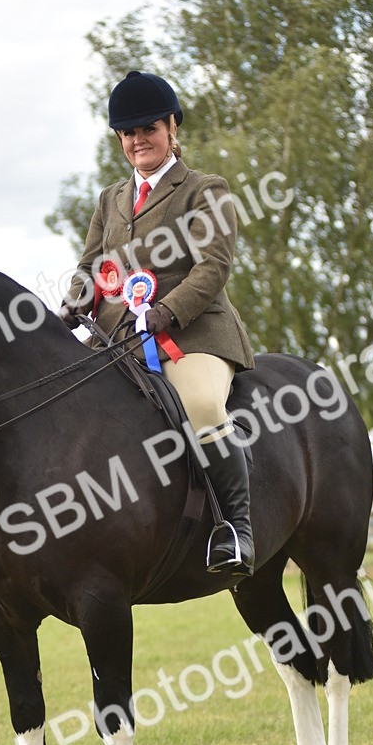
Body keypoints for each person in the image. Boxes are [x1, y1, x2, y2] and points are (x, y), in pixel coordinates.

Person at [58, 70, 255, 576]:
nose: (138, 140)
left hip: (191, 335)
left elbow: (213, 267)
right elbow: (90, 268)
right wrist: (73, 304)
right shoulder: (110, 200)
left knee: (204, 405)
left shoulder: (203, 189)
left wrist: (163, 312)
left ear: (171, 128)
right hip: (116, 338)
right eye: (129, 133)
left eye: (148, 128)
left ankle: (236, 529)